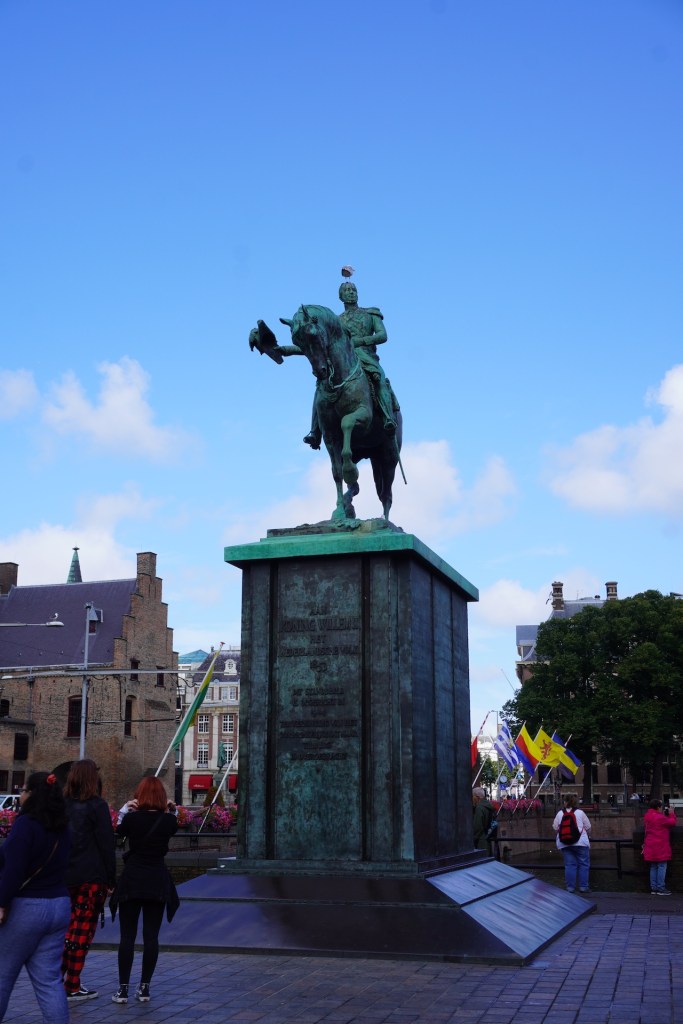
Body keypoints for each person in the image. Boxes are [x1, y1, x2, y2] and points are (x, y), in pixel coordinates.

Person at [0, 772, 71, 1024]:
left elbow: (14, 870)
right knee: (49, 980)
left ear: (31, 795)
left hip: (27, 907)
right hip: (59, 904)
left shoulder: (26, 824)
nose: (20, 795)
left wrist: (2, 902)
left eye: (23, 790)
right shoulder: (63, 827)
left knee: (3, 974)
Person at [303, 280, 398, 449]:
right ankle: (315, 431)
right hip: (343, 360)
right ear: (341, 296)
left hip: (367, 357)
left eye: (353, 289)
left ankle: (388, 418)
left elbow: (382, 335)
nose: (351, 292)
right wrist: (283, 350)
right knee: (321, 387)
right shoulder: (337, 321)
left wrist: (360, 341)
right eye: (346, 290)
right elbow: (318, 343)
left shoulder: (371, 313)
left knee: (379, 379)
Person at [110, 776, 179, 1004]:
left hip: (132, 880)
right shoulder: (167, 821)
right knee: (151, 936)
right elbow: (174, 822)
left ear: (139, 796)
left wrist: (125, 809)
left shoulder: (132, 819)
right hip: (156, 880)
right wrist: (171, 809)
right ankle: (145, 987)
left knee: (127, 936)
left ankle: (123, 990)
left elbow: (119, 830)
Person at [61, 759, 116, 1001]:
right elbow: (106, 844)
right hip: (91, 877)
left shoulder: (62, 806)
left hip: (65, 876)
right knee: (82, 931)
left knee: (67, 930)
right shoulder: (97, 806)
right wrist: (111, 878)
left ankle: (56, 979)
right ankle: (72, 983)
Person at [553, 794, 592, 893]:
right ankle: (583, 887)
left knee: (570, 865)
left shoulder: (560, 813)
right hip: (581, 842)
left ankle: (570, 888)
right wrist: (588, 835)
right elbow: (588, 827)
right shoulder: (580, 813)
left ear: (565, 802)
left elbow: (555, 827)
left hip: (565, 843)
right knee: (583, 864)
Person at [643, 799, 676, 895]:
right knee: (662, 866)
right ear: (658, 807)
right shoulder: (660, 817)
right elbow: (672, 823)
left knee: (653, 866)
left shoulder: (647, 816)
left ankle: (654, 888)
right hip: (660, 846)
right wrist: (671, 813)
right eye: (661, 806)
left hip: (650, 845)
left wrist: (664, 815)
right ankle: (661, 888)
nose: (662, 808)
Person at [472, 787, 495, 853]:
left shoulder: (479, 808)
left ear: (477, 797)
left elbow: (477, 827)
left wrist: (472, 839)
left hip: (480, 842)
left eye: (472, 796)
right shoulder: (488, 805)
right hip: (487, 839)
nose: (472, 798)